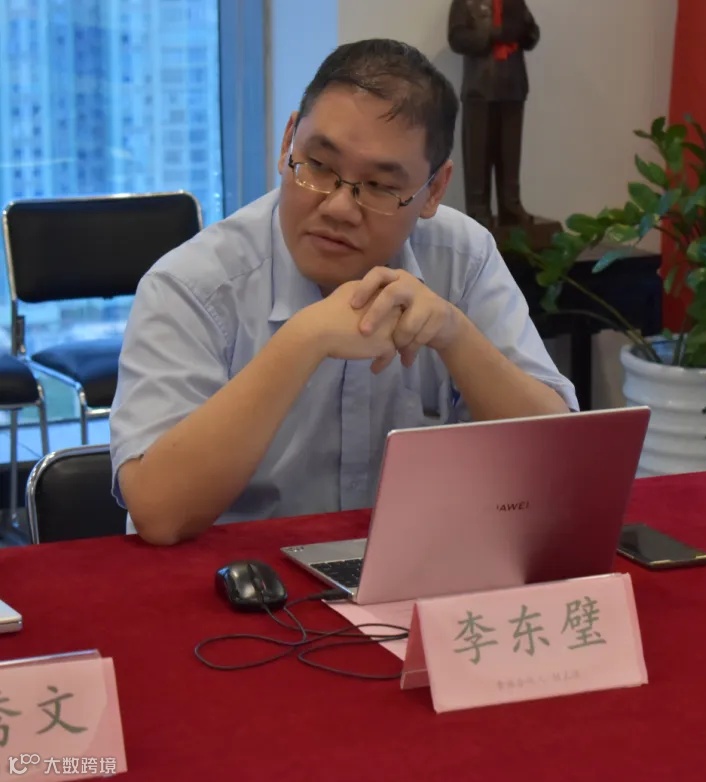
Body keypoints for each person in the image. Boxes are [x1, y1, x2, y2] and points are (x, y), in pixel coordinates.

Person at [110, 38, 577, 546]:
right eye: (318, 165)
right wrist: (303, 340)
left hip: (414, 564)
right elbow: (160, 513)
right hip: (240, 576)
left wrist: (454, 334)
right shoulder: (194, 285)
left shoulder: (462, 258)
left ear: (434, 191)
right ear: (288, 141)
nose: (337, 207)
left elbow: (560, 461)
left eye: (379, 186)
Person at [448, 0, 539, 228]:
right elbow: (457, 38)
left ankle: (511, 206)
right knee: (478, 154)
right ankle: (478, 209)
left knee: (510, 153)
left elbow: (532, 34)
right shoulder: (465, 2)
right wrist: (493, 34)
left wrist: (523, 32)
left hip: (513, 86)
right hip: (480, 88)